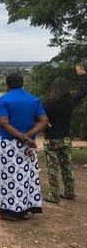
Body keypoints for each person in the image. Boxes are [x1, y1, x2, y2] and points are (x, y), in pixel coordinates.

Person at [0, 74, 48, 221]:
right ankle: (24, 210)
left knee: (7, 177)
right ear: (22, 84)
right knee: (26, 177)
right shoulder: (34, 100)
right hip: (29, 145)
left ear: (7, 85)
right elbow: (44, 120)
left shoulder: (4, 99)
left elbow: (4, 123)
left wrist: (22, 137)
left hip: (8, 144)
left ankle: (7, 212)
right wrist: (27, 136)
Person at [42, 65, 87, 203]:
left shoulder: (47, 103)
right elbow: (84, 90)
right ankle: (69, 192)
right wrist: (83, 76)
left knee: (52, 168)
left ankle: (54, 196)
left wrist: (47, 125)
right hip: (66, 139)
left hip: (51, 140)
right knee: (67, 166)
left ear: (54, 88)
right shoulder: (71, 101)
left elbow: (37, 116)